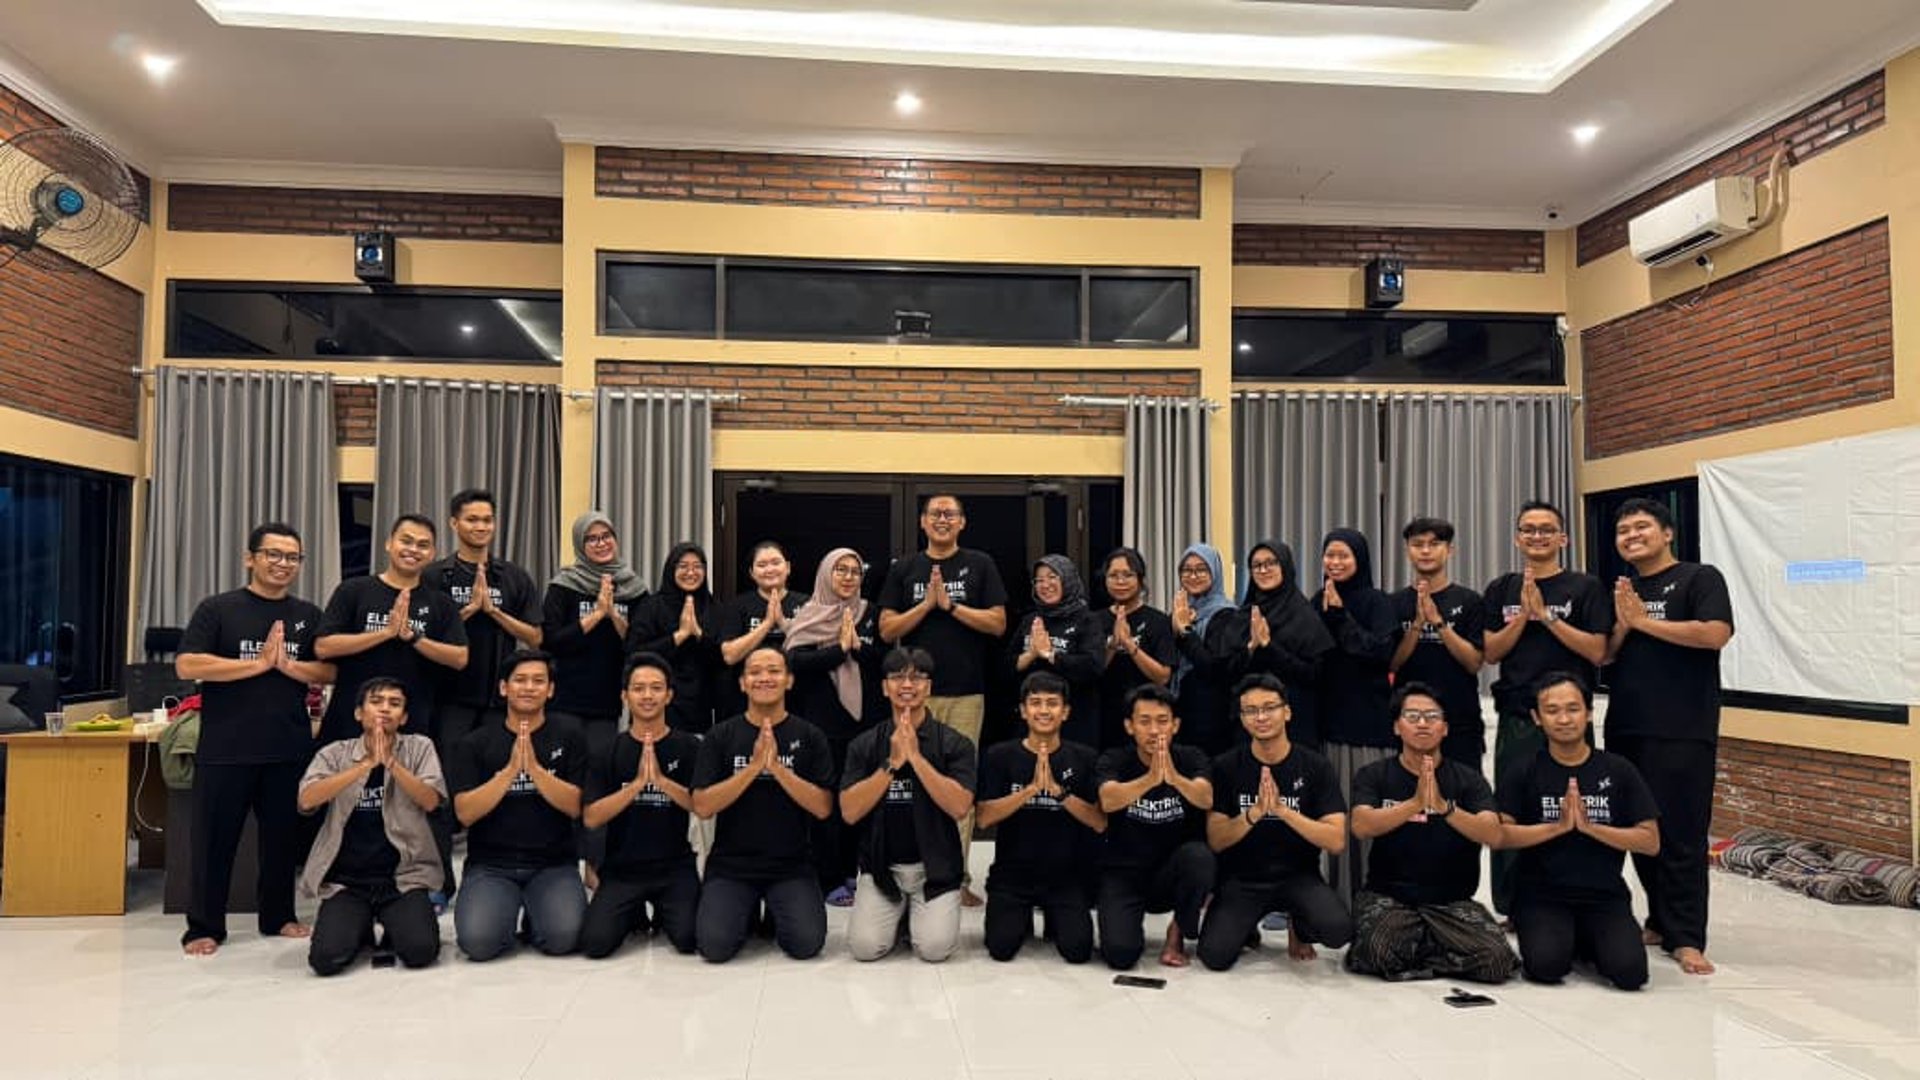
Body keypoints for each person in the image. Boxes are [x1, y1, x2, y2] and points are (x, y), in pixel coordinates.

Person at [176, 522, 335, 956]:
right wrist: (258, 665)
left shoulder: (307, 615)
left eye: (292, 557)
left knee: (282, 841)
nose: (283, 564)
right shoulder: (218, 609)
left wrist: (288, 667)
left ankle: (278, 915)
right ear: (251, 558)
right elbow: (188, 665)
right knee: (213, 842)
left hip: (287, 746)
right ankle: (204, 926)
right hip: (226, 747)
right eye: (273, 554)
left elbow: (329, 671)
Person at [1605, 497, 1735, 976]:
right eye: (1624, 531)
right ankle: (1659, 920)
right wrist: (1625, 626)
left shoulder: (1700, 578)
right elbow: (1607, 655)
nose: (1632, 536)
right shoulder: (1625, 590)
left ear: (1667, 533)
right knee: (1640, 829)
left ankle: (1687, 938)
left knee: (1681, 834)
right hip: (1626, 725)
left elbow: (1714, 634)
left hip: (1682, 727)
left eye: (1642, 527)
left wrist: (1644, 622)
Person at [1483, 500, 1613, 916]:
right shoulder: (1502, 588)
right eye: (1528, 529)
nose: (1537, 536)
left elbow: (1598, 651)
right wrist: (1523, 617)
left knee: (1573, 804)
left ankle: (1573, 898)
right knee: (1513, 807)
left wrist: (1548, 617)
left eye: (1546, 529)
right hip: (1518, 716)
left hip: (1569, 718)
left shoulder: (1585, 587)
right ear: (1517, 538)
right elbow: (1490, 652)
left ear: (1563, 538)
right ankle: (1512, 904)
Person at [878, 493, 1009, 904]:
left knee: (959, 782)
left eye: (950, 514)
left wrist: (951, 606)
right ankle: (913, 872)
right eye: (935, 513)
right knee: (909, 778)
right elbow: (887, 628)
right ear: (922, 521)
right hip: (912, 694)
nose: (942, 519)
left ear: (962, 522)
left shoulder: (980, 564)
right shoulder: (905, 568)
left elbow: (998, 622)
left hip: (966, 692)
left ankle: (958, 876)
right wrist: (925, 605)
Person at [1498, 673, 1661, 992]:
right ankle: (1565, 937)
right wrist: (1556, 828)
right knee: (1546, 966)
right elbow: (1500, 835)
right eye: (1552, 710)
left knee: (1630, 974)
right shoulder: (1524, 769)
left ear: (1588, 713)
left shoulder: (1618, 770)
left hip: (1604, 895)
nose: (1563, 719)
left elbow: (1650, 841)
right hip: (1542, 894)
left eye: (1573, 709)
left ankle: (1587, 939)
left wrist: (1591, 828)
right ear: (1537, 718)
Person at [1344, 682, 1516, 984]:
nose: (1422, 723)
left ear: (1445, 728)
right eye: (1412, 716)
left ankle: (1418, 952)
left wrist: (1443, 807)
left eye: (1432, 716)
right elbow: (1361, 825)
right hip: (1390, 897)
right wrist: (1414, 804)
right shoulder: (1374, 775)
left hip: (1451, 901)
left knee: (1498, 961)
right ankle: (1440, 951)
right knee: (1377, 950)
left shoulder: (1468, 780)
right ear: (1397, 727)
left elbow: (1494, 834)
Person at [1196, 674, 1351, 970]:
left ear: (1287, 712)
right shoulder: (1226, 766)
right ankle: (1246, 928)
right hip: (1242, 879)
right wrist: (1254, 813)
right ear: (1242, 719)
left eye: (1269, 708)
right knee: (1214, 956)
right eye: (1251, 710)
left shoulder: (1315, 766)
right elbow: (1216, 839)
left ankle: (1298, 924)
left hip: (1298, 876)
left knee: (1338, 931)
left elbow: (1336, 841)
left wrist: (1282, 810)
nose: (1261, 717)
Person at [692, 647, 835, 962]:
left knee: (806, 944)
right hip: (732, 866)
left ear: (789, 680)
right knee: (714, 947)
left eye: (774, 671)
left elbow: (823, 807)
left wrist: (778, 769)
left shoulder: (810, 735)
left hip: (791, 865)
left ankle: (774, 909)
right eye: (755, 672)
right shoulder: (720, 736)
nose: (764, 678)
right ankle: (745, 911)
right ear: (743, 683)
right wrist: (754, 767)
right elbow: (702, 805)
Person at [299, 677, 446, 976]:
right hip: (347, 881)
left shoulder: (420, 748)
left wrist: (391, 763)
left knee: (420, 951)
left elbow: (431, 801)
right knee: (326, 960)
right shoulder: (334, 753)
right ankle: (360, 926)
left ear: (404, 717)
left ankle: (394, 924)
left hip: (403, 878)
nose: (385, 709)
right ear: (358, 713)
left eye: (395, 704)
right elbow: (306, 799)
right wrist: (364, 765)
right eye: (376, 702)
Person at [449, 650, 589, 960]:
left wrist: (535, 770)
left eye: (538, 681)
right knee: (479, 943)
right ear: (504, 688)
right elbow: (465, 813)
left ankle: (536, 918)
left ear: (550, 690)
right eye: (520, 680)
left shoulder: (570, 736)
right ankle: (507, 909)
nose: (529, 687)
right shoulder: (476, 742)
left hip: (553, 864)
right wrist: (511, 771)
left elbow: (576, 806)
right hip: (491, 865)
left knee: (565, 938)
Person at [840, 647, 978, 962]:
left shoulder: (955, 743)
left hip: (935, 871)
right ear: (884, 687)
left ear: (929, 687)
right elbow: (849, 811)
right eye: (897, 677)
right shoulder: (865, 744)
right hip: (882, 869)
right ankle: (900, 912)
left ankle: (917, 913)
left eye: (917, 678)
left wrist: (915, 758)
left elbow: (960, 807)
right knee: (864, 948)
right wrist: (891, 763)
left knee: (934, 949)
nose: (907, 685)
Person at [579, 652, 702, 958]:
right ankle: (632, 913)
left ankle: (664, 912)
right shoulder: (607, 751)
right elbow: (591, 817)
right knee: (595, 944)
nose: (647, 696)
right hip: (622, 869)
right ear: (625, 696)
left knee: (691, 939)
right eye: (638, 688)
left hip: (674, 867)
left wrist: (661, 781)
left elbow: (702, 806)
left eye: (656, 688)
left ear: (669, 695)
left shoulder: (689, 747)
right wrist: (636, 786)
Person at [978, 672, 1106, 963]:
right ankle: (1020, 916)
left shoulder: (1085, 758)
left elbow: (1099, 821)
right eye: (1035, 703)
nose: (1044, 710)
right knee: (1000, 948)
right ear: (1023, 711)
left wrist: (1059, 794)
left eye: (1052, 703)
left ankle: (1055, 916)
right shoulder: (999, 755)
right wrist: (1031, 790)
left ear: (1066, 712)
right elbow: (984, 818)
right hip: (1013, 874)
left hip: (1065, 875)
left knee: (1077, 951)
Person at [785, 547, 885, 907]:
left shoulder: (871, 614)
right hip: (820, 726)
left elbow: (887, 662)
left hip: (866, 726)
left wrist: (857, 649)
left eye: (854, 571)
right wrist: (838, 651)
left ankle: (852, 870)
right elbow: (795, 663)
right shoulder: (808, 614)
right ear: (826, 574)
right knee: (825, 804)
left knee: (859, 802)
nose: (848, 577)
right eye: (840, 570)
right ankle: (827, 877)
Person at [314, 513, 469, 745]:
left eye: (422, 545)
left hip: (412, 723)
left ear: (432, 554)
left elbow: (459, 658)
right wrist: (384, 633)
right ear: (389, 543)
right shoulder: (353, 590)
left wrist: (414, 638)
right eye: (406, 541)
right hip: (350, 720)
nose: (413, 549)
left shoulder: (441, 603)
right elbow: (324, 647)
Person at [1095, 684, 1216, 970]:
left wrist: (1174, 778)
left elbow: (1205, 797)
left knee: (1199, 857)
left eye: (1162, 721)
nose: (1154, 730)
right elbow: (1108, 800)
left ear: (1175, 725)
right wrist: (1150, 779)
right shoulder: (1114, 759)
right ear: (1129, 726)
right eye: (1144, 721)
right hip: (1124, 873)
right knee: (1120, 955)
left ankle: (1176, 935)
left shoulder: (1192, 758)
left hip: (1170, 873)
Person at [1314, 528, 1400, 908]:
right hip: (1329, 727)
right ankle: (1335, 901)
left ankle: (1374, 903)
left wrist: (1340, 618)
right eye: (1329, 555)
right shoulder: (1316, 601)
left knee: (1366, 819)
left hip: (1368, 728)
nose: (1335, 562)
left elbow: (1380, 653)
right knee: (1334, 817)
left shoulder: (1377, 602)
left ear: (1360, 559)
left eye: (1343, 555)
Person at [423, 488, 542, 757]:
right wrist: (467, 611)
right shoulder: (434, 576)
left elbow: (535, 637)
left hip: (499, 700)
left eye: (487, 520)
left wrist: (494, 612)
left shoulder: (514, 576)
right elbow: (421, 636)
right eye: (472, 520)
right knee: (452, 772)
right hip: (449, 699)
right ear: (454, 523)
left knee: (497, 770)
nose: (481, 527)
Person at [1389, 517, 1488, 768]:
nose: (1425, 551)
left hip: (1459, 720)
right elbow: (1392, 663)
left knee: (1463, 790)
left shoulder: (1470, 601)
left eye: (1434, 544)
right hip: (1409, 720)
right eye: (1417, 544)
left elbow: (1474, 662)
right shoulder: (1393, 603)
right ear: (1407, 550)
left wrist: (1439, 623)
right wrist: (1417, 625)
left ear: (1449, 550)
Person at [542, 511, 647, 745]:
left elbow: (639, 644)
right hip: (565, 698)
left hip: (607, 700)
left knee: (600, 762)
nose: (601, 543)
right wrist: (597, 614)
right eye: (592, 539)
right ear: (580, 545)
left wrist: (613, 615)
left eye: (606, 536)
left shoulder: (634, 587)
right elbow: (550, 641)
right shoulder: (563, 585)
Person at [1238, 540, 1334, 749]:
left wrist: (1269, 647)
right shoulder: (1246, 614)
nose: (1263, 570)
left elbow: (1314, 674)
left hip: (1295, 723)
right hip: (1249, 723)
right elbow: (1229, 672)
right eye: (1257, 565)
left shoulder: (1304, 615)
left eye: (1271, 563)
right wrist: (1252, 648)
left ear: (1285, 566)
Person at [1008, 555, 1105, 748]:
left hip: (1075, 718)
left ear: (1068, 579)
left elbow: (1093, 665)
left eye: (1052, 577)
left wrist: (1051, 655)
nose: (1045, 585)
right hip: (1031, 719)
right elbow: (1004, 666)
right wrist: (1031, 654)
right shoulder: (1030, 620)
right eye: (1039, 580)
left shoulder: (1087, 620)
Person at [626, 542, 720, 735]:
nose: (691, 572)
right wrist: (679, 636)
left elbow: (723, 657)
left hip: (700, 707)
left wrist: (698, 634)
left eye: (697, 567)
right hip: (656, 703)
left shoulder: (714, 608)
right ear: (671, 570)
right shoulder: (651, 606)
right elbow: (634, 652)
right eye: (683, 566)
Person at [1092, 547, 1175, 752]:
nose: (1120, 581)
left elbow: (1163, 676)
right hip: (1103, 717)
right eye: (1113, 575)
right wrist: (1113, 644)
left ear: (1140, 579)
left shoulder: (1158, 621)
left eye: (1128, 575)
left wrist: (1130, 646)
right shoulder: (1093, 621)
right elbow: (1091, 671)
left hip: (1147, 719)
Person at [713, 540, 804, 722]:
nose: (769, 569)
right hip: (745, 704)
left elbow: (814, 651)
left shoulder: (806, 605)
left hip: (796, 702)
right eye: (762, 565)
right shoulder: (737, 606)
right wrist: (767, 624)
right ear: (752, 573)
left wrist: (784, 624)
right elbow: (729, 655)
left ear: (787, 567)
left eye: (775, 562)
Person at [1168, 543, 1245, 755]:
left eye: (1201, 569)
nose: (1193, 576)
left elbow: (1212, 667)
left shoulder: (1227, 614)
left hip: (1212, 713)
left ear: (1215, 572)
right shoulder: (1181, 612)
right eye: (1186, 570)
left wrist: (1186, 631)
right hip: (1180, 709)